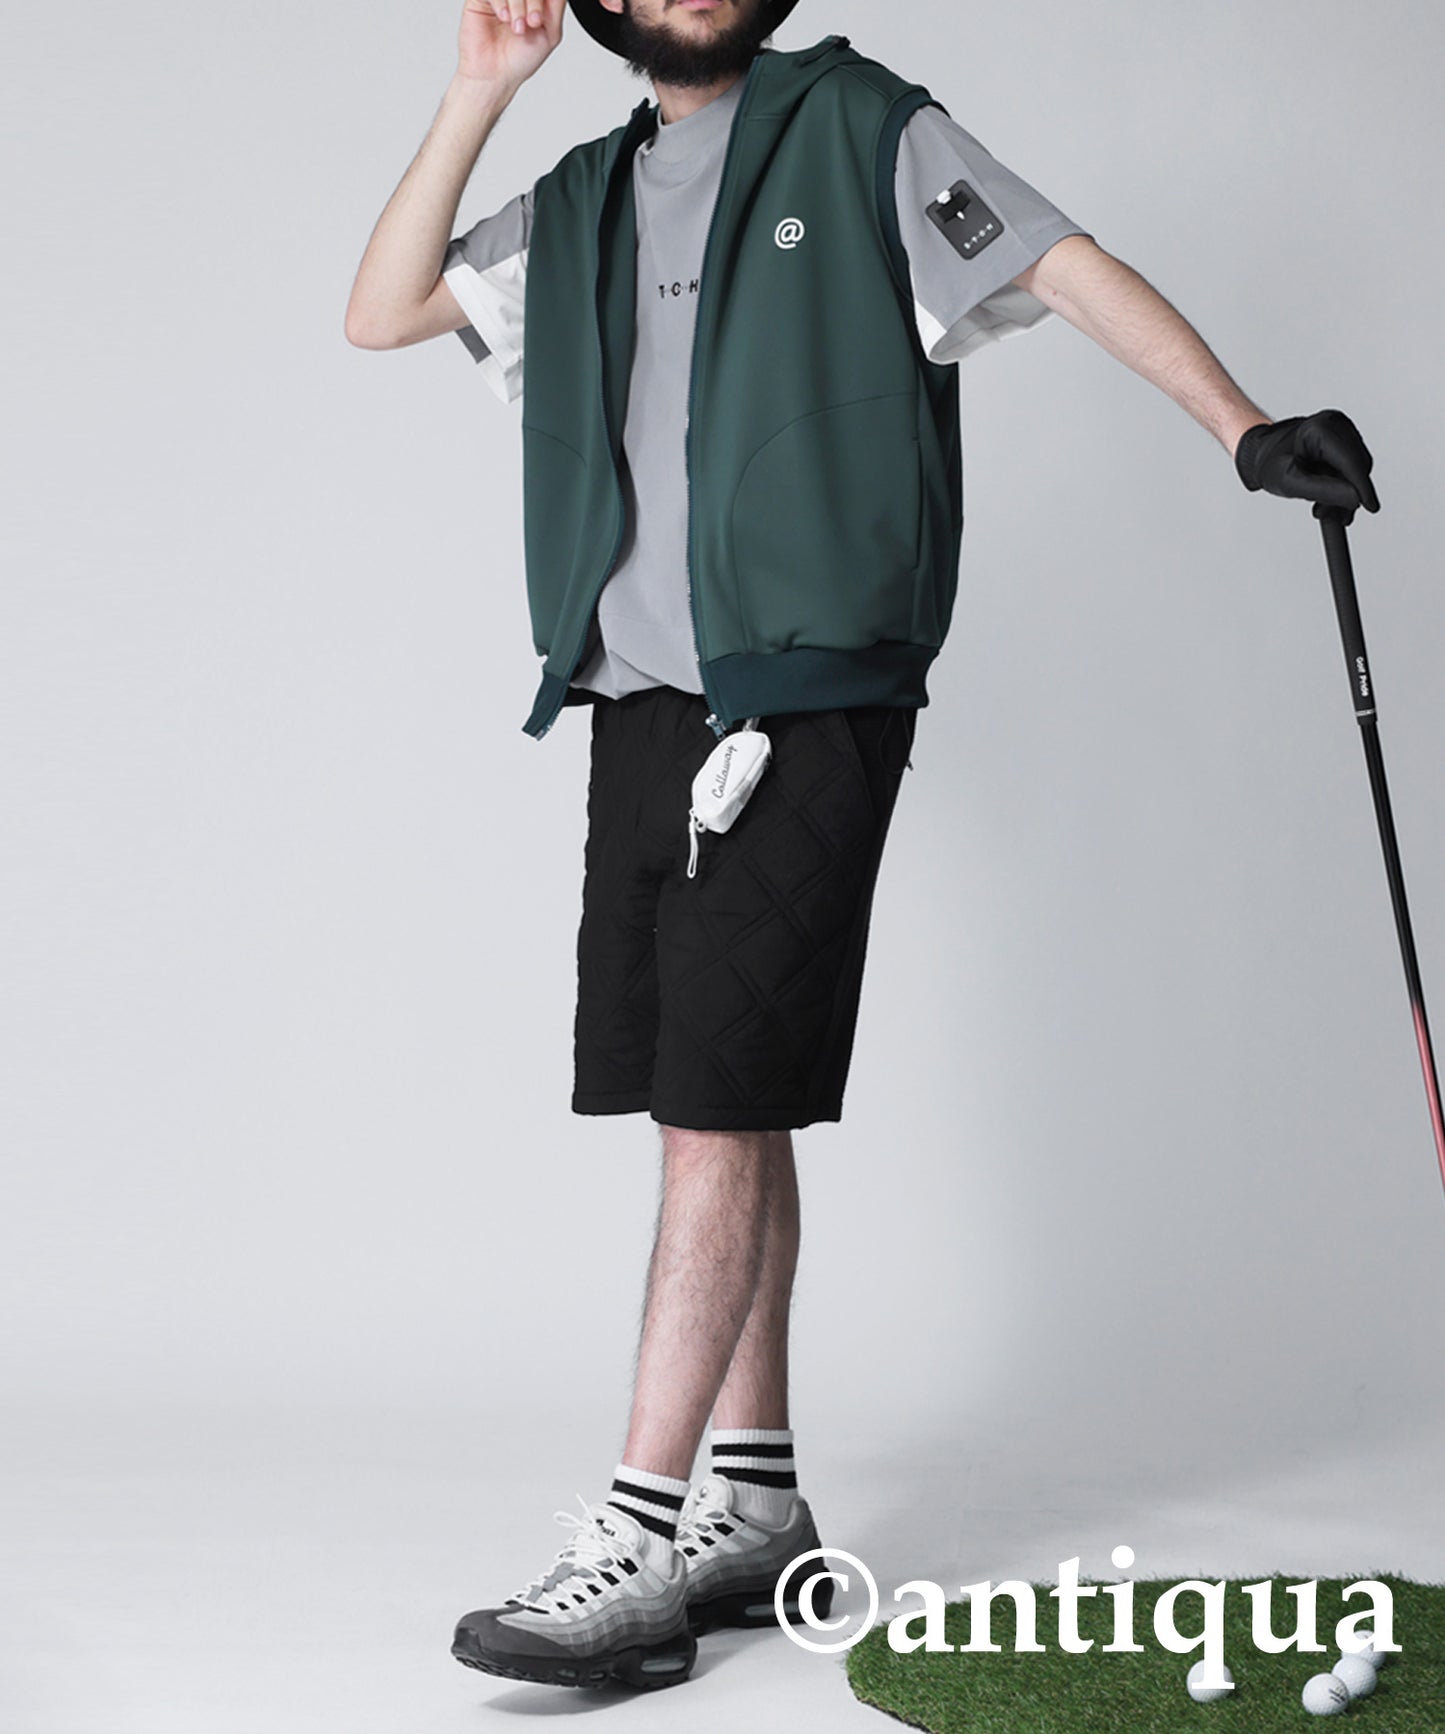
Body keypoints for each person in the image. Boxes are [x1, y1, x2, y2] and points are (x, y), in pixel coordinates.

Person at [344, 0, 1379, 1694]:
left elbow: (1056, 262)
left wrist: (1241, 426)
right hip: (642, 704)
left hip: (806, 698)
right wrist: (477, 92)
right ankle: (754, 1502)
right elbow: (382, 310)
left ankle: (634, 1540)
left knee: (712, 1113)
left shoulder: (863, 128)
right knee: (716, 1092)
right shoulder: (583, 197)